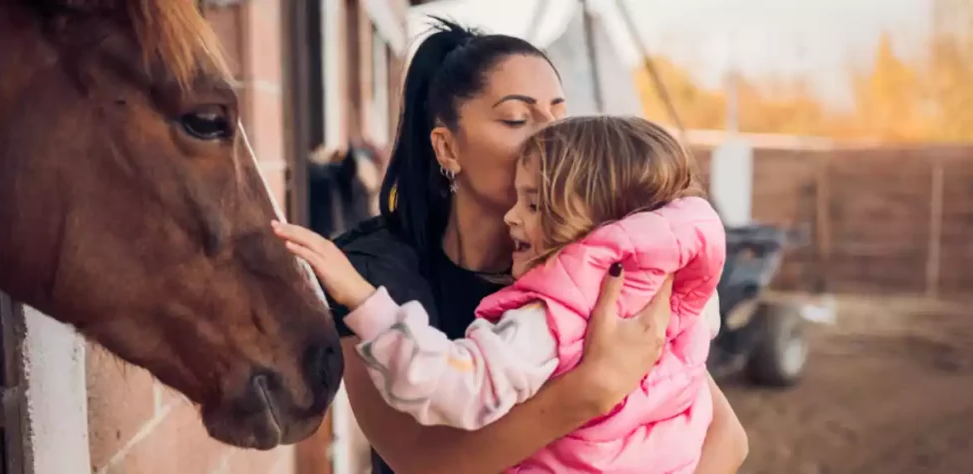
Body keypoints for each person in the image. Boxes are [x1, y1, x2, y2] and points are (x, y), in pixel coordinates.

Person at [278, 19, 747, 474]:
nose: (548, 137)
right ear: (447, 148)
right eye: (517, 118)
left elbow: (726, 438)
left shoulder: (591, 255)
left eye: (559, 117)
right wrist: (588, 392)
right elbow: (422, 463)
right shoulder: (369, 271)